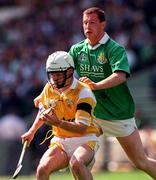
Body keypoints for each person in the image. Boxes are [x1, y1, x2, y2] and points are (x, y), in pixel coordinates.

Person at [69, 7, 156, 179]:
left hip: (119, 114)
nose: (87, 26)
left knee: (141, 162)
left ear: (103, 24)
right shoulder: (77, 50)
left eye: (92, 22)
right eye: (85, 23)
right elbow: (65, 76)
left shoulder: (115, 49)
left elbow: (120, 76)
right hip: (93, 115)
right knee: (77, 162)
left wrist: (95, 85)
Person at [21, 51, 102, 180]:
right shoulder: (49, 88)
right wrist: (31, 132)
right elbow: (43, 111)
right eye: (52, 74)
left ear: (70, 72)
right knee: (42, 169)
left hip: (85, 139)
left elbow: (81, 127)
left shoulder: (84, 92)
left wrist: (58, 123)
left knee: (77, 164)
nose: (54, 78)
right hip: (60, 142)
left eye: (58, 74)